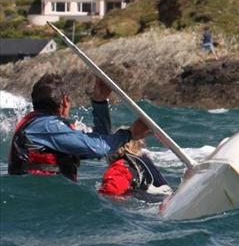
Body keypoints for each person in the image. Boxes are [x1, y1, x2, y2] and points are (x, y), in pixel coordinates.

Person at [7, 73, 150, 181]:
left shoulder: (41, 125)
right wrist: (129, 134)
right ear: (65, 101)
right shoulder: (47, 126)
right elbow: (100, 148)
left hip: (40, 198)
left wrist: (100, 102)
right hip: (42, 199)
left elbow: (99, 142)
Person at [98, 139, 172, 202]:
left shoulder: (120, 167)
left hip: (149, 203)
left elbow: (111, 192)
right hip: (165, 196)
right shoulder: (143, 160)